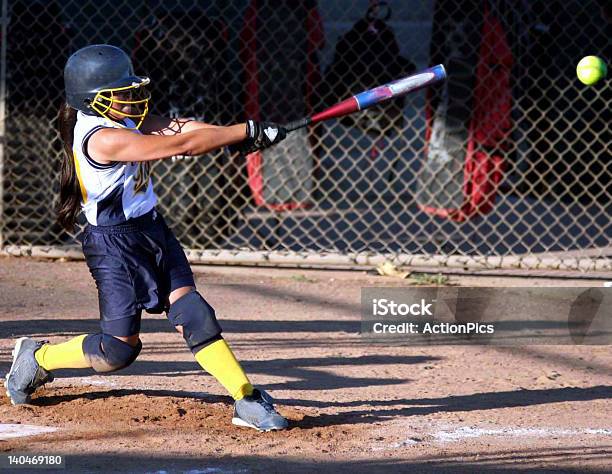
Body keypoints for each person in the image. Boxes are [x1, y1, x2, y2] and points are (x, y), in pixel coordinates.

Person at [4, 44, 288, 432]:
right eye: (118, 94)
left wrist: (237, 134)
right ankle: (39, 358)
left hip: (152, 229)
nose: (131, 99)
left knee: (193, 312)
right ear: (92, 101)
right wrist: (240, 133)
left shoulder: (124, 121)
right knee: (118, 350)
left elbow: (180, 127)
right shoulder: (102, 137)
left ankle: (246, 397)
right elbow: (179, 145)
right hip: (113, 245)